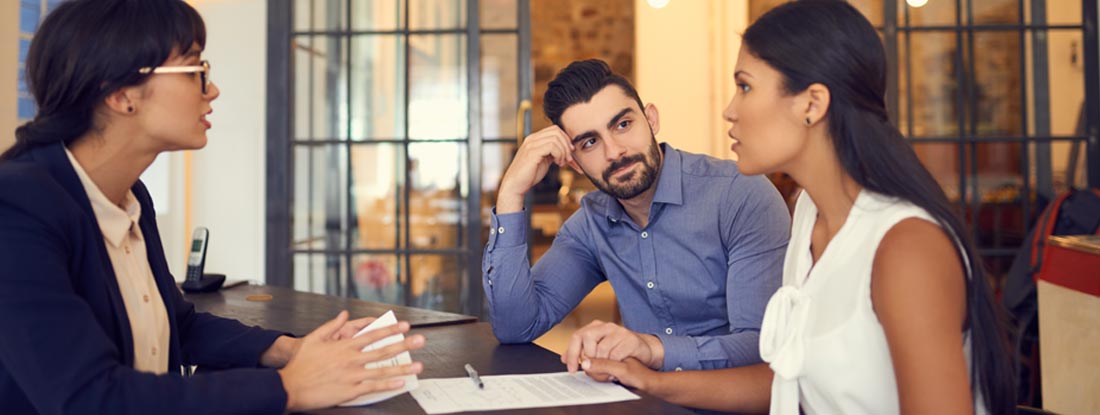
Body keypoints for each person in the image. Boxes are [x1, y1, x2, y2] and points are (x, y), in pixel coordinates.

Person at [580, 1, 1016, 414]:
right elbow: (790, 383)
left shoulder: (906, 248)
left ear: (812, 104)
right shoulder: (809, 212)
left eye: (745, 86)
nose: (730, 110)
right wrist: (649, 381)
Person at [0, 1, 424, 413]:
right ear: (121, 94)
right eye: (196, 70)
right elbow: (89, 398)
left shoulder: (129, 195)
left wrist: (291, 351)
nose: (212, 88)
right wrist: (288, 387)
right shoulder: (16, 208)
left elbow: (177, 325)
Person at [483, 59, 790, 374]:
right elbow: (516, 327)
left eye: (623, 125)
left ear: (651, 119)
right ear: (574, 162)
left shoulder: (739, 196)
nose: (614, 151)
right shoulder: (590, 226)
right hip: (644, 404)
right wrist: (510, 194)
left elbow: (761, 344)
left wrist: (651, 350)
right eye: (590, 142)